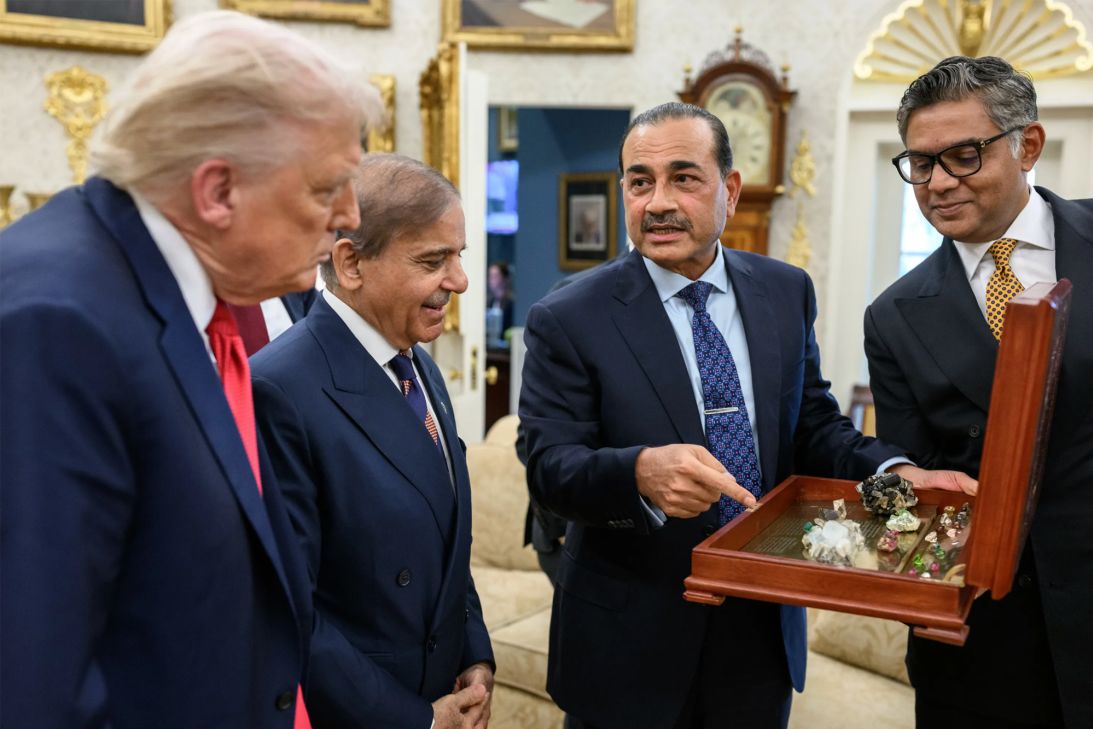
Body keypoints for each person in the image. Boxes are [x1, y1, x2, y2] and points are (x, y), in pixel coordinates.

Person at [519, 101, 974, 729]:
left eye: (684, 177)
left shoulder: (785, 291)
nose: (657, 202)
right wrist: (639, 473)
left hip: (760, 627)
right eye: (639, 181)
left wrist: (896, 471)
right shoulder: (569, 317)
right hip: (629, 641)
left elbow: (813, 423)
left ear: (729, 190)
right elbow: (548, 467)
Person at [0, 11, 376, 729]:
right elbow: (33, 680)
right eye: (327, 188)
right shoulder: (58, 323)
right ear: (217, 192)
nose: (349, 217)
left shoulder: (179, 296)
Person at [865, 56, 1093, 728]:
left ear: (1026, 145)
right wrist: (891, 491)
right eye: (919, 163)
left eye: (962, 156)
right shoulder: (893, 313)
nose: (937, 183)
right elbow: (900, 472)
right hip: (980, 643)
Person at [251, 153, 495, 729]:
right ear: (352, 262)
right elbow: (290, 610)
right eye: (434, 260)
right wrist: (417, 719)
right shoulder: (277, 389)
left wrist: (474, 656)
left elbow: (446, 539)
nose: (459, 281)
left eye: (458, 256)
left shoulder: (418, 365)